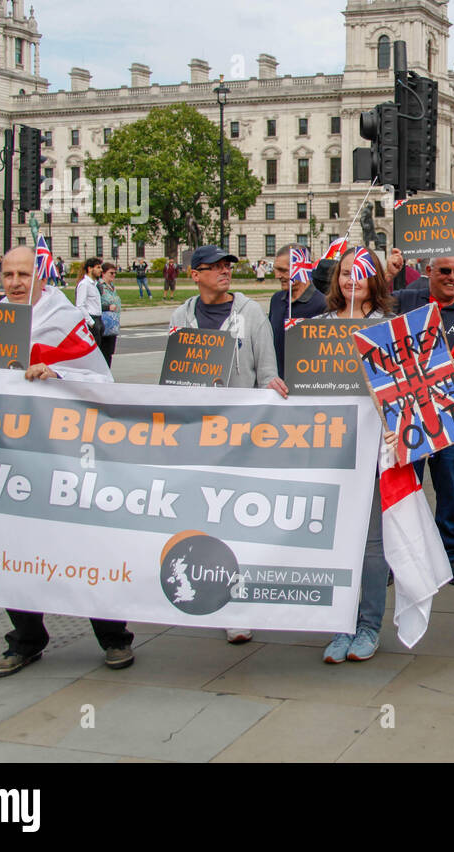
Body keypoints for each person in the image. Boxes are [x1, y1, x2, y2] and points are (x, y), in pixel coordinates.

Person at [0, 248, 131, 676]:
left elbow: (100, 380)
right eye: (7, 274)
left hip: (62, 456)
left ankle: (113, 636)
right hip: (9, 458)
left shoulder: (67, 318)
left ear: (41, 277)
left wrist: (59, 376)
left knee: (82, 546)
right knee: (11, 544)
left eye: (23, 274)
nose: (15, 282)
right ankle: (27, 639)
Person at [171, 244, 287, 645]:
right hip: (201, 433)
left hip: (241, 433)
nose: (224, 272)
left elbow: (267, 371)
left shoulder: (250, 313)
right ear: (195, 275)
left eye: (227, 266)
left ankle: (239, 606)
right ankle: (211, 590)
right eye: (214, 267)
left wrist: (270, 399)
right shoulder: (181, 316)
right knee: (205, 518)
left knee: (238, 518)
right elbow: (174, 377)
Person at [320, 247, 394, 664]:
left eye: (362, 274)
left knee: (370, 545)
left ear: (375, 281)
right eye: (347, 273)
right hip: (329, 448)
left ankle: (368, 626)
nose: (352, 280)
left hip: (374, 449)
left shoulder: (387, 328)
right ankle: (338, 624)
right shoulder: (316, 328)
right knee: (334, 541)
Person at [395, 255, 454, 585]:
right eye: (445, 271)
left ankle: (450, 555)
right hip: (406, 416)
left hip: (451, 417)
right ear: (428, 272)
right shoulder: (405, 302)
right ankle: (400, 557)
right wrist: (391, 271)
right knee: (405, 491)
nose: (453, 277)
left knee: (448, 492)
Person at [268, 245, 329, 378]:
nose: (277, 275)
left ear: (301, 269)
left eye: (283, 270)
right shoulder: (276, 300)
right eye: (276, 269)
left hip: (307, 384)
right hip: (276, 383)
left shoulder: (323, 304)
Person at [97, 262, 122, 368]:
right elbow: (94, 305)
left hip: (113, 324)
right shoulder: (99, 286)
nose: (113, 275)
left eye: (115, 273)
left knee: (110, 352)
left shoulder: (112, 287)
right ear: (103, 273)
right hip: (104, 323)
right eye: (111, 273)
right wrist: (107, 307)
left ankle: (107, 372)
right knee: (103, 352)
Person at [74, 257, 104, 342]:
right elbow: (80, 305)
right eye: (98, 267)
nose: (101, 270)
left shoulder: (94, 284)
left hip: (98, 318)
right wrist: (91, 322)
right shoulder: (84, 284)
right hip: (92, 319)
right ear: (90, 269)